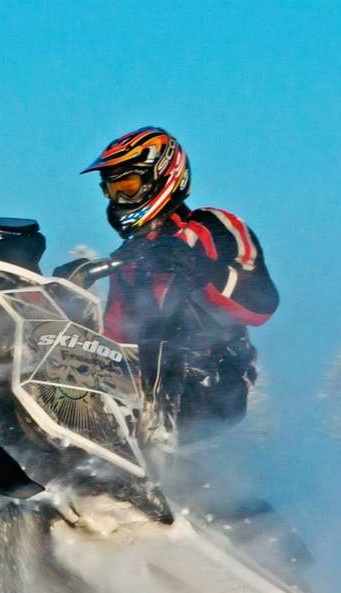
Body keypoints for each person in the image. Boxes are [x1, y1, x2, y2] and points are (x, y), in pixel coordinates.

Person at [57, 126, 279, 443]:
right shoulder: (129, 260)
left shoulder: (211, 226)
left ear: (161, 177)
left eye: (128, 186)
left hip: (212, 378)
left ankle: (155, 445)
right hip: (143, 377)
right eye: (112, 189)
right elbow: (117, 335)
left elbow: (261, 305)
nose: (119, 197)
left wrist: (200, 270)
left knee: (167, 326)